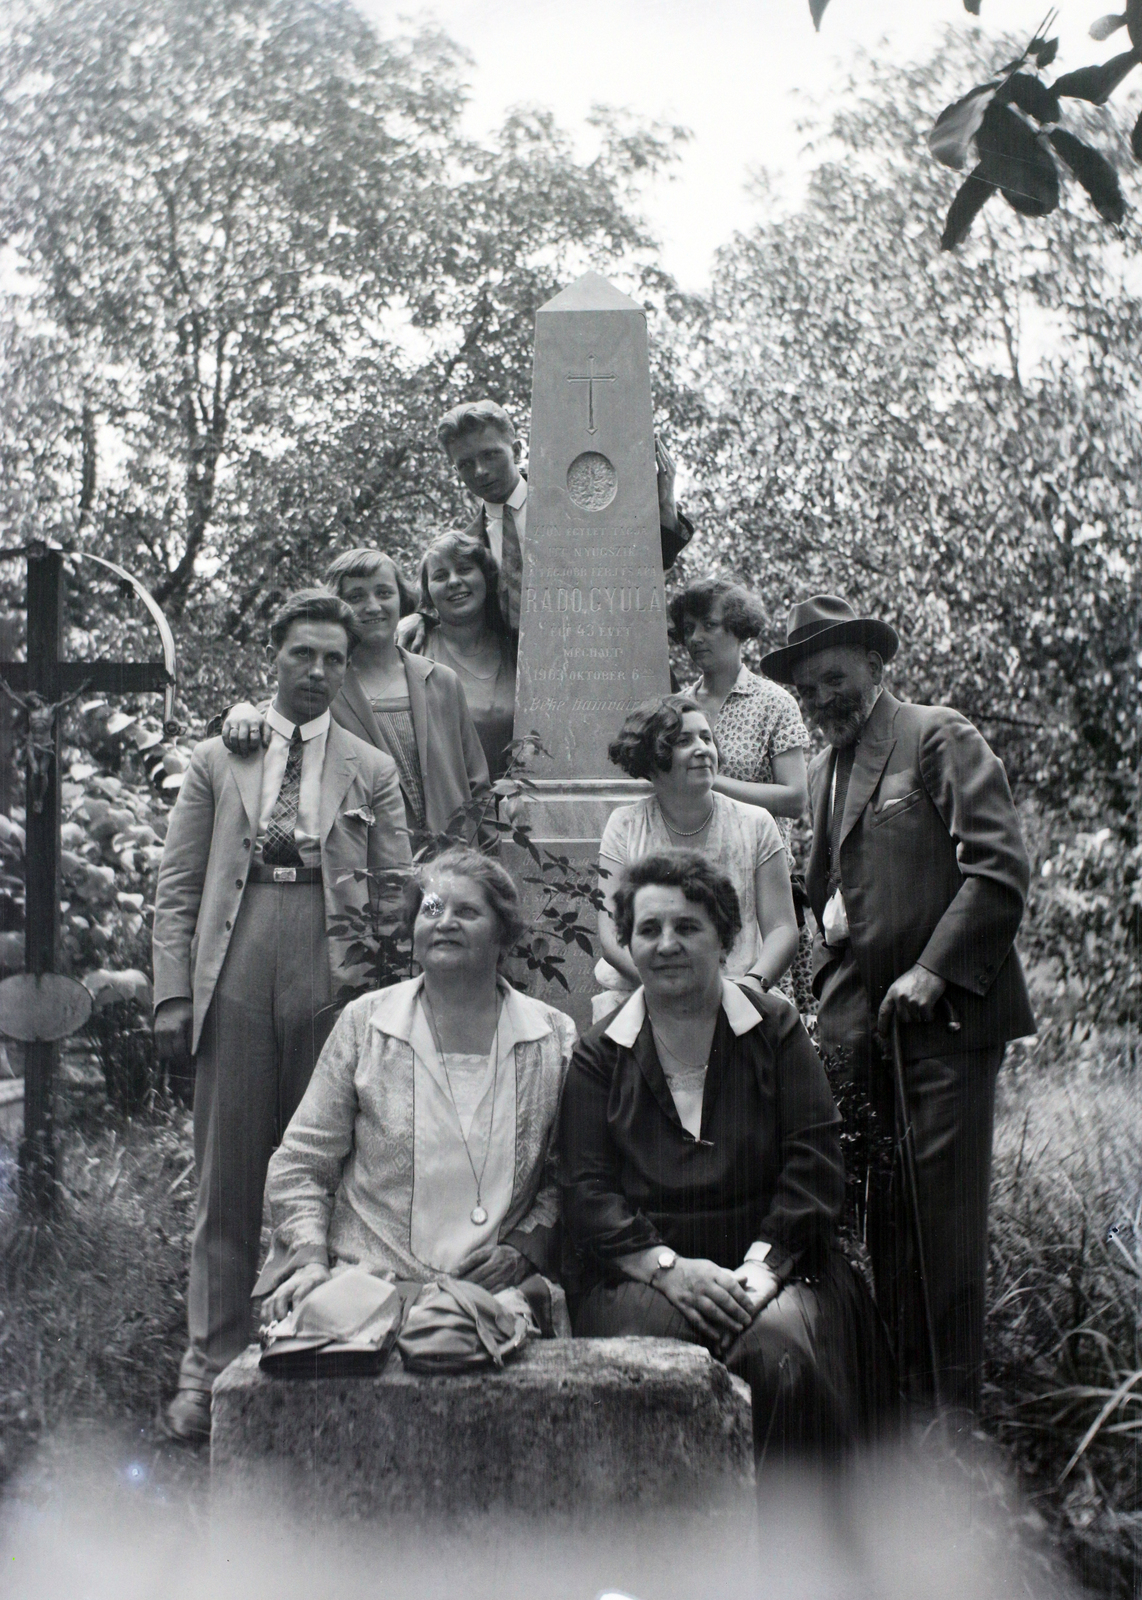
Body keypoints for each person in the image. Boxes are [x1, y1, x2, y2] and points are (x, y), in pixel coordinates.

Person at [762, 594, 1036, 1416]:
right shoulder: (820, 771)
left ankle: (956, 1422)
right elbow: (831, 903)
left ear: (875, 666)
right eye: (808, 690)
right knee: (882, 1218)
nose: (821, 700)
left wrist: (933, 971)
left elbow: (998, 869)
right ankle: (905, 1406)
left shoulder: (937, 735)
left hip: (945, 1022)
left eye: (834, 679)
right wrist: (826, 995)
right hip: (861, 1033)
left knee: (943, 1225)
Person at [152, 589, 412, 1443]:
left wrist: (380, 998)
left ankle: (314, 1350)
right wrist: (173, 994)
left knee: (322, 1171)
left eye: (335, 658)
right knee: (226, 1173)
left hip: (331, 971)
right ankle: (207, 1371)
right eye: (304, 653)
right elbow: (178, 885)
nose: (318, 671)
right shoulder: (219, 757)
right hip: (238, 950)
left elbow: (396, 892)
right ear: (275, 654)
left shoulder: (371, 768)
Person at [561, 850, 892, 1463]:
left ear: (725, 938)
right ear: (629, 943)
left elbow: (815, 1164)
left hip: (781, 1262)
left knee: (777, 1355)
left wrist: (760, 1272)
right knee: (657, 1359)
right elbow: (586, 1189)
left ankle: (796, 1524)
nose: (667, 944)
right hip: (645, 1271)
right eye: (649, 929)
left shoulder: (776, 1030)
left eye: (687, 926)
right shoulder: (599, 1056)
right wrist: (666, 1269)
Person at [252, 847, 576, 1321]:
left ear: (502, 935)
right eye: (432, 909)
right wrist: (310, 1260)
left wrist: (523, 1250)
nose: (445, 922)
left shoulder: (552, 1037)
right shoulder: (366, 1023)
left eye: (467, 911)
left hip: (495, 1294)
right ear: (414, 931)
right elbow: (301, 1162)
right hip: (363, 1281)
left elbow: (567, 1176)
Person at [222, 550, 493, 850]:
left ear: (401, 598)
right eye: (356, 597)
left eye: (384, 593)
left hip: (452, 857)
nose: (373, 606)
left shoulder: (441, 680)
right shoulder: (327, 686)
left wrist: (488, 856)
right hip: (371, 858)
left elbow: (478, 783)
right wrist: (241, 710)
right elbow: (280, 716)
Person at [403, 399, 692, 641]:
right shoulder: (468, 547)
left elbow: (643, 566)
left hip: (610, 658)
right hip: (525, 682)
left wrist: (665, 506)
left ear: (517, 451)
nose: (480, 471)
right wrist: (421, 618)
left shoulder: (576, 499)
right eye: (465, 464)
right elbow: (455, 607)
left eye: (490, 455)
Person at [593, 696, 798, 1021]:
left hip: (739, 996)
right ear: (651, 757)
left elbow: (782, 928)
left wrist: (751, 985)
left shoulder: (756, 823)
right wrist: (664, 989)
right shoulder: (625, 826)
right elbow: (611, 936)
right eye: (684, 741)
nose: (702, 748)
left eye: (706, 738)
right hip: (646, 994)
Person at [671, 576, 813, 1008]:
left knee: (762, 1018)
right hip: (692, 884)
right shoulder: (676, 708)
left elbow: (795, 798)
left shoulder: (773, 702)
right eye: (689, 628)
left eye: (709, 625)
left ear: (738, 629)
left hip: (763, 888)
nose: (695, 638)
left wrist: (711, 782)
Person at [410, 530, 516, 779]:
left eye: (464, 569)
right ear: (427, 592)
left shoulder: (516, 648)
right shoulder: (415, 649)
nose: (454, 581)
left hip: (518, 797)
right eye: (440, 576)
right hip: (442, 798)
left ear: (486, 577)